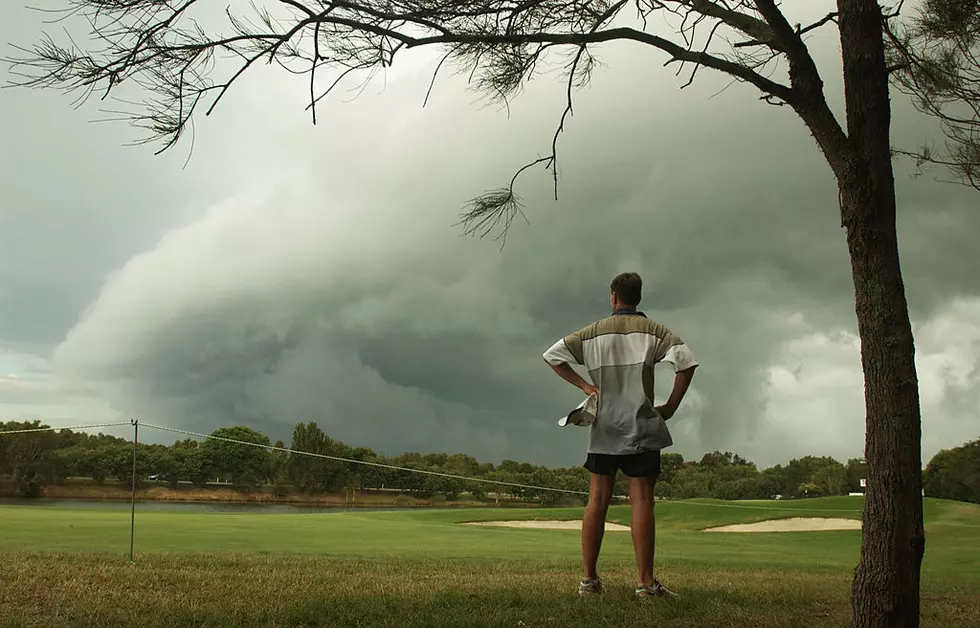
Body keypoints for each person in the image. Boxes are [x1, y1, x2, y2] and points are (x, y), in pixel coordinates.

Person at [543, 272, 698, 599]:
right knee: (641, 500)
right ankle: (644, 583)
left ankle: (588, 581)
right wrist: (670, 406)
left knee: (597, 500)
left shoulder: (594, 332)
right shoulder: (653, 330)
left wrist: (586, 386)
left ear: (613, 297)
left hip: (604, 427)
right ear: (638, 298)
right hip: (641, 426)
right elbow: (686, 363)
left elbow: (553, 355)